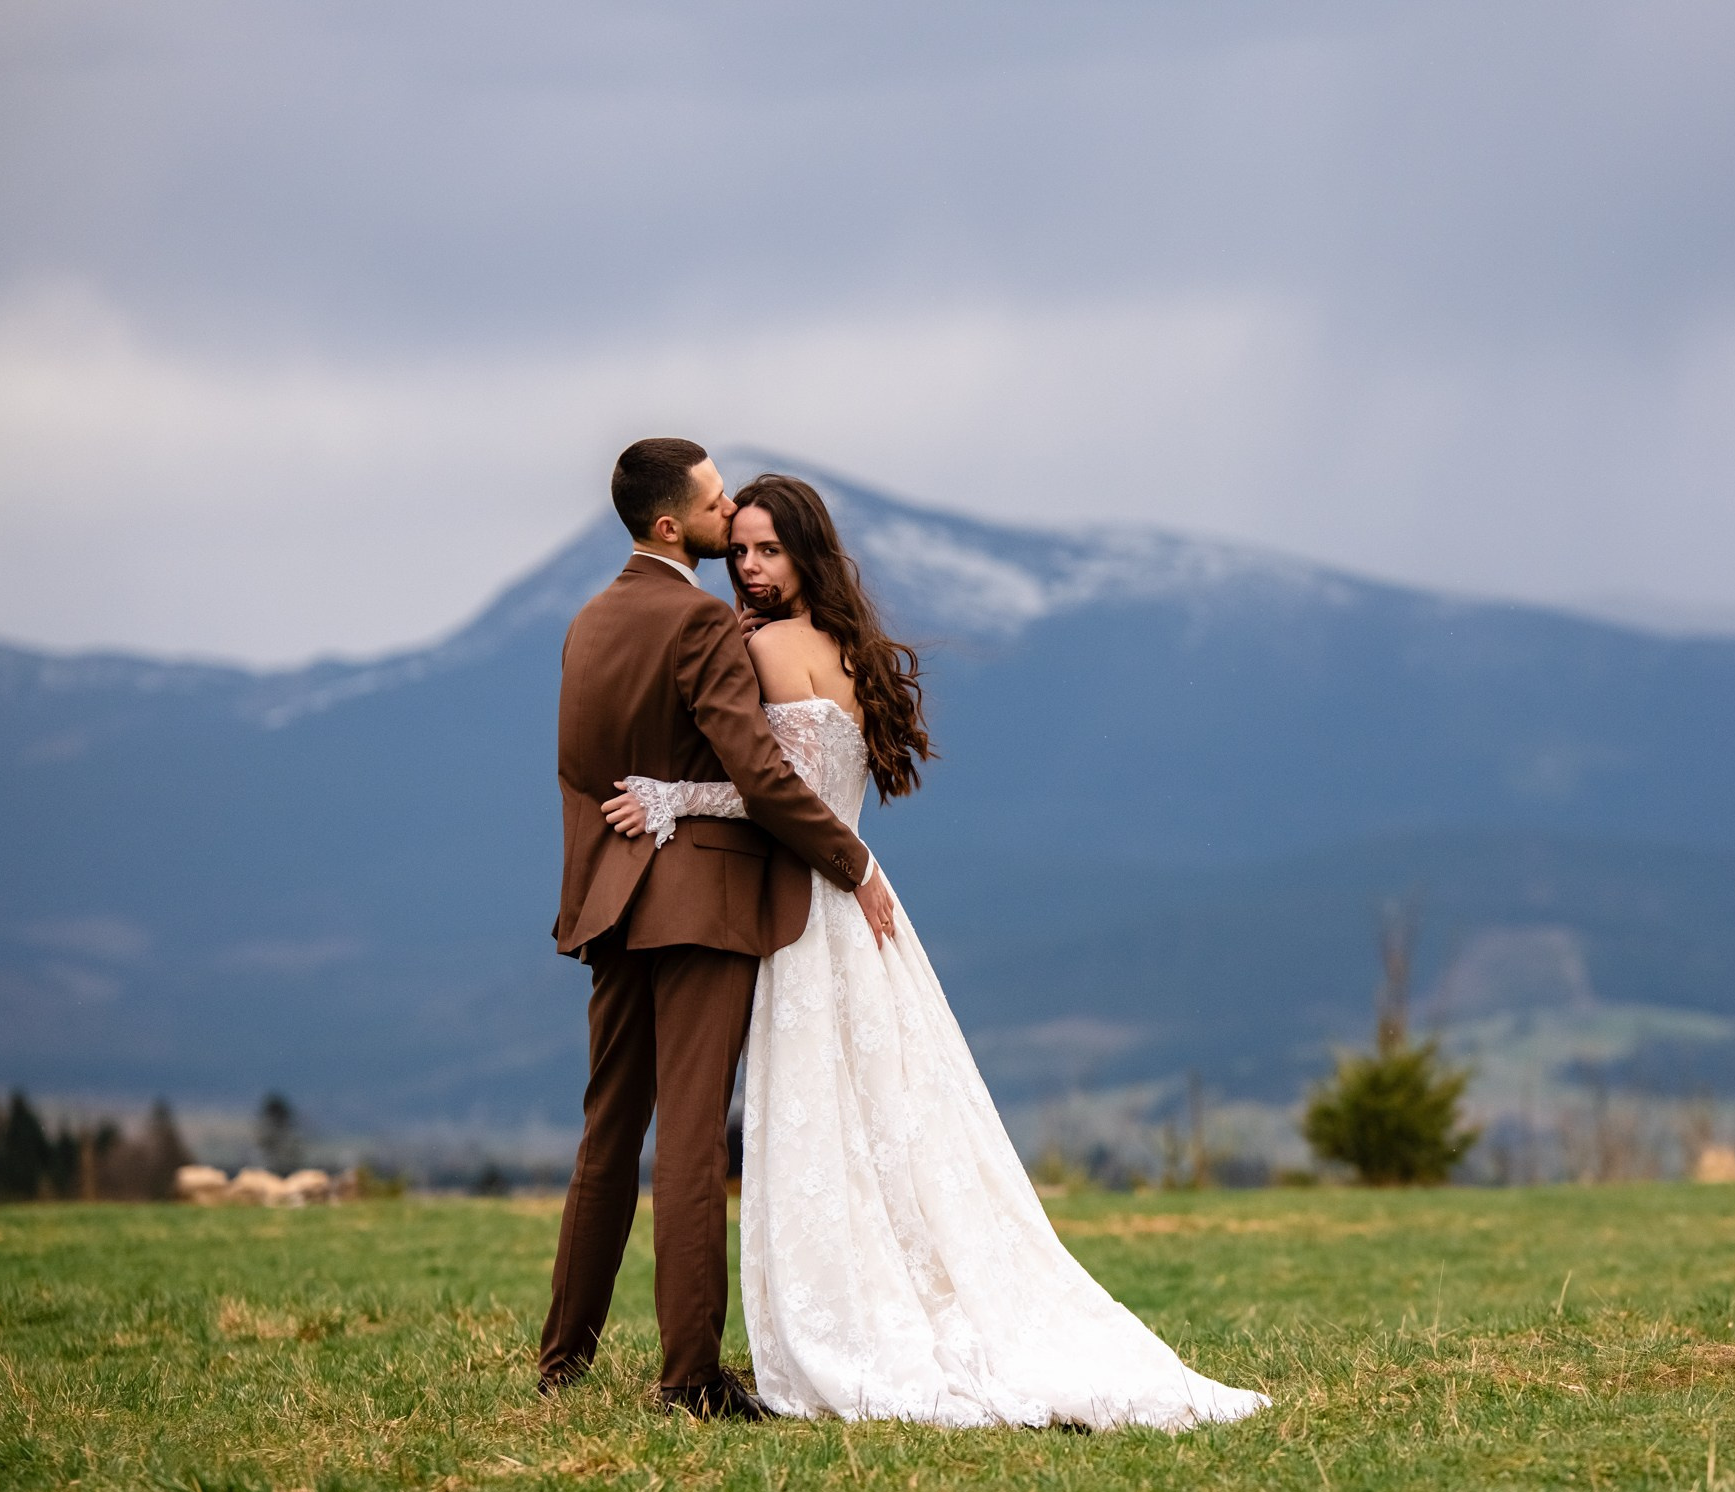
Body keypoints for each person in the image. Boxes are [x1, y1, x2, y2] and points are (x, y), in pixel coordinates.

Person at [603, 471, 1268, 1431]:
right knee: (893, 1121)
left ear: (804, 554)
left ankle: (856, 1322)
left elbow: (770, 793)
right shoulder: (846, 646)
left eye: (766, 550)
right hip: (865, 896)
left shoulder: (765, 648)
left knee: (825, 1124)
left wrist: (671, 798)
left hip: (806, 909)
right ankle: (923, 1296)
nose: (746, 568)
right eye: (739, 549)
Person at [540, 439, 899, 1420]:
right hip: (701, 910)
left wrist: (598, 884)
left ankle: (562, 1353)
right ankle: (689, 1375)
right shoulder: (701, 623)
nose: (727, 509)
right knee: (694, 1145)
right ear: (673, 527)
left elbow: (582, 779)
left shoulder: (586, 625)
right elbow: (764, 775)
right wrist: (853, 860)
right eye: (713, 503)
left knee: (607, 1137)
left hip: (612, 907)